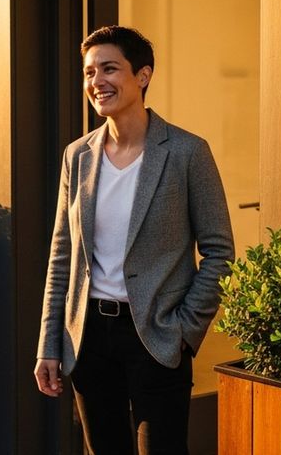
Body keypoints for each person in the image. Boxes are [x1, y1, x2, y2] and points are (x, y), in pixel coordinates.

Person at [35, 25, 235, 454]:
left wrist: (185, 329)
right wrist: (49, 343)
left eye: (109, 68)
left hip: (157, 336)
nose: (96, 82)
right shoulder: (78, 156)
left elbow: (220, 251)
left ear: (142, 76)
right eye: (89, 72)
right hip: (88, 338)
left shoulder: (186, 153)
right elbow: (62, 257)